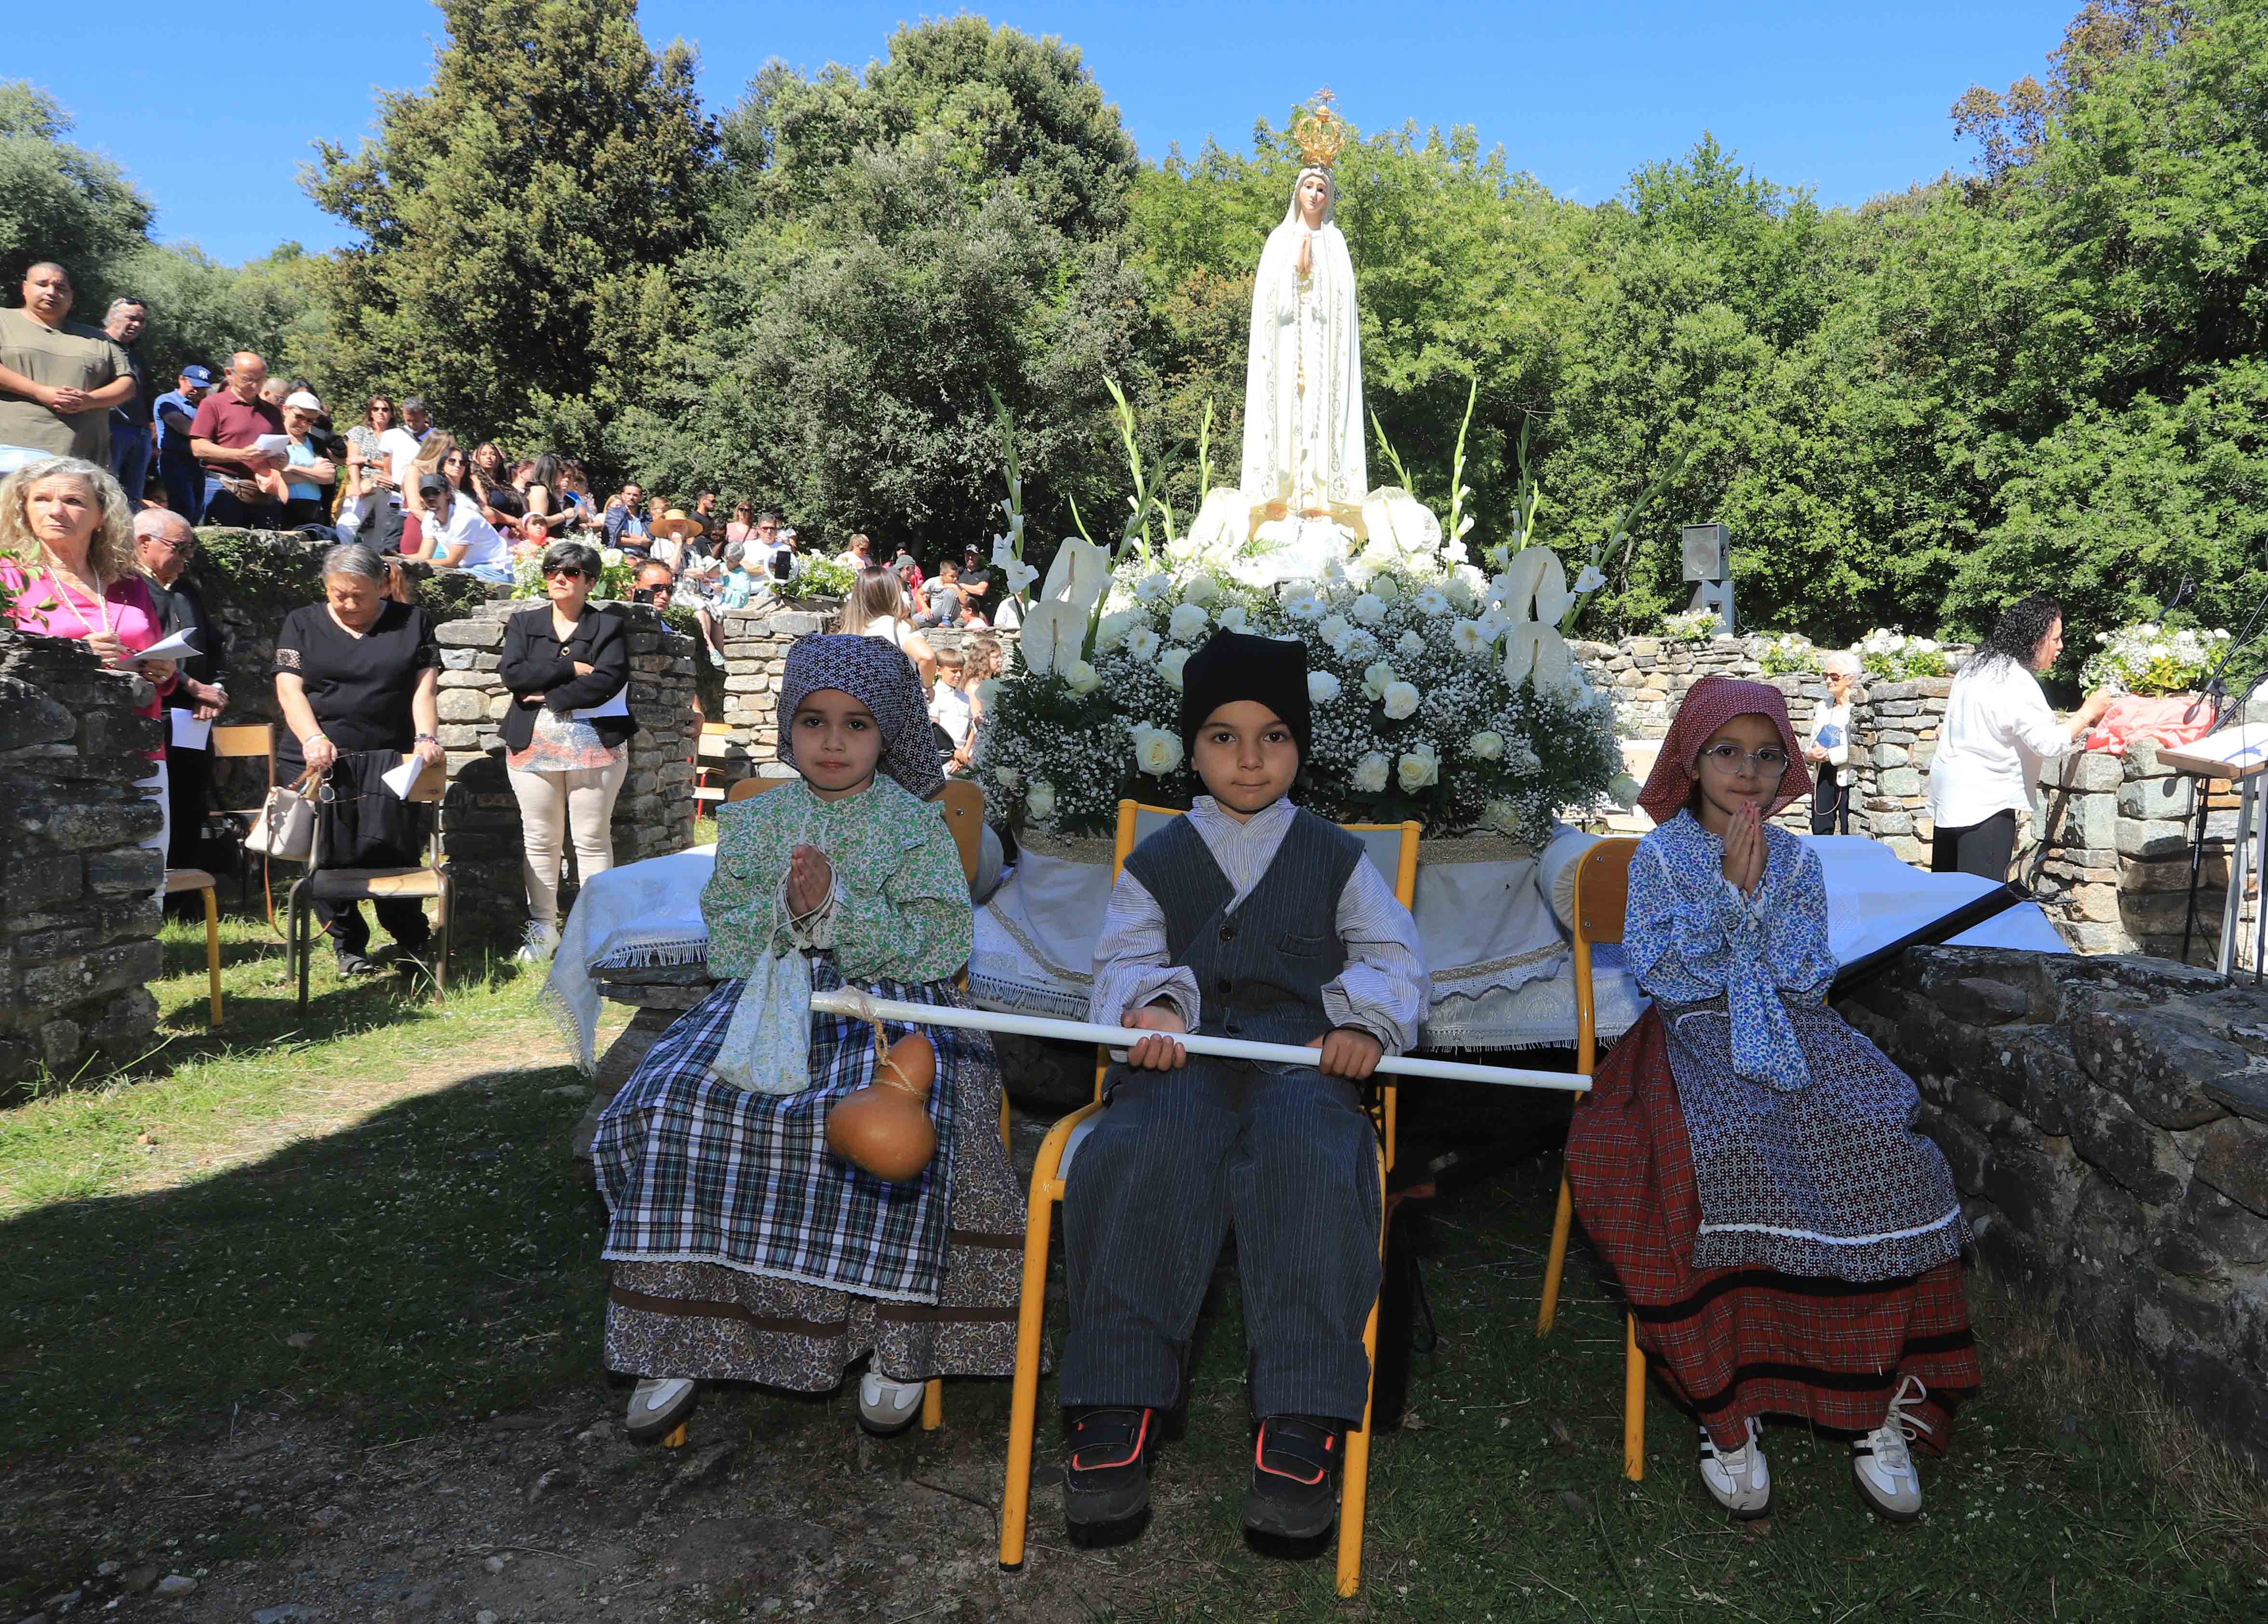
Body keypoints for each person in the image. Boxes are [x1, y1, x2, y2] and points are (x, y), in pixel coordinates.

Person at [592, 635, 1025, 1444]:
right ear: (788, 727)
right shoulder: (756, 820)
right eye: (814, 721)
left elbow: (940, 945)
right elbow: (724, 939)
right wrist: (792, 916)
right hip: (767, 1000)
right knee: (672, 1100)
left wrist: (839, 909)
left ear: (887, 732)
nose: (833, 742)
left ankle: (896, 1342)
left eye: (856, 724)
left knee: (892, 1131)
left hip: (885, 1010)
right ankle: (678, 1331)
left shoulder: (913, 824)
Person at [1567, 675, 1979, 1523]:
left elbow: (1804, 971)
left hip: (1792, 1028)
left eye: (1765, 754)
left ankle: (1869, 1396)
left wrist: (1754, 905)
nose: (1746, 771)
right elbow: (1658, 969)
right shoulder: (1658, 856)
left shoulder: (1795, 858)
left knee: (1883, 1143)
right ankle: (1728, 1406)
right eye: (1726, 752)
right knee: (1724, 1147)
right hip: (1685, 1033)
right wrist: (1723, 893)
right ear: (1690, 757)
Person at [1055, 629, 1425, 1548]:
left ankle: (1298, 1411)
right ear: (1191, 747)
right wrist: (1148, 1010)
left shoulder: (1338, 859)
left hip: (1299, 1064)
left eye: (1271, 736)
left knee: (1311, 1153)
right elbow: (1123, 958)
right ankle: (1116, 1395)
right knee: (1145, 1147)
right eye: (1222, 736)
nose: (1248, 757)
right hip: (1178, 1064)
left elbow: (1393, 959)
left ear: (1300, 746)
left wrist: (1358, 1025)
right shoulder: (1157, 858)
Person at [271, 544, 446, 977]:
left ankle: (411, 936)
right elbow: (290, 689)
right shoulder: (301, 622)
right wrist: (313, 737)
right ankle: (347, 942)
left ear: (384, 587)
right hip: (317, 756)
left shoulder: (413, 622)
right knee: (326, 851)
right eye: (338, 595)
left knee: (394, 847)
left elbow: (423, 689)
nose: (348, 604)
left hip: (389, 756)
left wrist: (426, 737)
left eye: (359, 596)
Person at [1, 458, 177, 879]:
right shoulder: (9, 577)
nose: (56, 510)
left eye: (73, 501)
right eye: (42, 499)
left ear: (101, 516)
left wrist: (164, 672)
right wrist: (75, 655)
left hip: (137, 745)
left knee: (144, 871)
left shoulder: (127, 582)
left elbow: (152, 653)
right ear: (24, 509)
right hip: (46, 755)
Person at [499, 539, 632, 962]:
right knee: (540, 839)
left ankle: (596, 930)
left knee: (591, 839)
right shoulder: (523, 623)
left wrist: (551, 696)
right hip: (531, 747)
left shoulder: (608, 626)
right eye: (553, 569)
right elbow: (514, 675)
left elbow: (609, 680)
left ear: (590, 581)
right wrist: (570, 669)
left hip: (596, 747)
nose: (560, 577)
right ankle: (543, 930)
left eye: (572, 572)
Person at [1924, 596, 2114, 881]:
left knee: (1946, 896)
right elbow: (2049, 743)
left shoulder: (1976, 667)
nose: (2061, 646)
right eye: (2056, 638)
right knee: (1978, 904)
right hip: (1985, 804)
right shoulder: (2015, 681)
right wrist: (2088, 713)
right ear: (2034, 638)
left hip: (1951, 794)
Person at [134, 509, 229, 876]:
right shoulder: (129, 588)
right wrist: (191, 688)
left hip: (193, 719)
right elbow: (144, 655)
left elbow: (215, 644)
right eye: (181, 548)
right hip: (153, 713)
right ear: (145, 544)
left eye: (191, 549)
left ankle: (187, 892)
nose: (188, 557)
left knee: (189, 798)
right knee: (154, 798)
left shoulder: (187, 589)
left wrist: (214, 689)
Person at [0, 264, 135, 470]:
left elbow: (127, 384)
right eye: (42, 284)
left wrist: (90, 401)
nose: (51, 292)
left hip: (81, 460)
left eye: (60, 288)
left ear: (71, 296)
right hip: (12, 454)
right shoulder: (4, 320)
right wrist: (39, 392)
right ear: (25, 287)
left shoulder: (98, 337)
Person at [189, 352, 288, 528]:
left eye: (261, 380)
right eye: (248, 379)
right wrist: (241, 455)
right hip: (223, 488)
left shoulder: (272, 412)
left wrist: (281, 459)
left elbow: (281, 447)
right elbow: (198, 448)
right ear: (229, 374)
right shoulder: (213, 404)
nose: (255, 385)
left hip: (262, 493)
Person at [838, 565, 935, 689]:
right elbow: (927, 657)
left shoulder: (848, 629)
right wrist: (927, 687)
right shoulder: (898, 627)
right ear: (891, 594)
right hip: (896, 702)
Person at [410, 473, 512, 582]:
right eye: (425, 494)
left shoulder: (464, 518)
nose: (430, 498)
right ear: (421, 498)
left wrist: (416, 565)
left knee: (445, 583)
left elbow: (452, 562)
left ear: (448, 495)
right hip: (468, 569)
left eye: (436, 492)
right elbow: (424, 555)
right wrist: (398, 557)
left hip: (495, 569)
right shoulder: (429, 519)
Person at [1806, 651, 1862, 836]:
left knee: (1849, 829)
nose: (1828, 681)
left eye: (1835, 677)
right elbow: (1812, 740)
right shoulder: (1824, 706)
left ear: (1850, 679)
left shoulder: (1859, 707)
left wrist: (1830, 755)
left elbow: (1859, 747)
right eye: (1826, 676)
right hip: (1823, 772)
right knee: (1820, 828)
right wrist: (1810, 755)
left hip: (1847, 775)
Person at [103, 298, 152, 502]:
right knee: (106, 490)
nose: (137, 325)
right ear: (113, 316)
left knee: (133, 496)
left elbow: (146, 392)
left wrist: (150, 426)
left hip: (140, 433)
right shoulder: (96, 345)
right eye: (132, 318)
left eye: (142, 321)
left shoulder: (136, 354)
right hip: (110, 428)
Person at [152, 365, 216, 522]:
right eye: (194, 386)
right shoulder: (167, 401)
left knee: (197, 511)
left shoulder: (204, 406)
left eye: (202, 388)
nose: (198, 391)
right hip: (174, 460)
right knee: (183, 508)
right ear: (182, 380)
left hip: (197, 462)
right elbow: (186, 428)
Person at [277, 392, 338, 530]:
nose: (304, 423)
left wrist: (293, 468)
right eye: (299, 417)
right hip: (282, 509)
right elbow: (280, 476)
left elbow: (329, 477)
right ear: (286, 410)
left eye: (310, 421)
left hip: (314, 510)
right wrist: (315, 474)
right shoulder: (275, 437)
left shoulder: (316, 443)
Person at [928, 645, 972, 772]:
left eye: (961, 671)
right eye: (954, 671)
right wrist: (955, 754)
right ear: (939, 670)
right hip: (944, 758)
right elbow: (935, 729)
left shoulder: (964, 697)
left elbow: (970, 728)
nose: (959, 675)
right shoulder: (935, 695)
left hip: (964, 758)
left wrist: (965, 753)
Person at [914, 559, 964, 628]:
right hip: (936, 613)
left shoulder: (956, 585)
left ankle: (947, 621)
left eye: (956, 576)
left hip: (951, 614)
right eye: (952, 576)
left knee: (950, 592)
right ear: (942, 575)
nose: (955, 579)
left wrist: (955, 587)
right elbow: (919, 594)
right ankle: (935, 626)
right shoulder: (933, 582)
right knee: (915, 619)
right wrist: (925, 607)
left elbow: (964, 602)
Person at [602, 481, 648, 554]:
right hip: (619, 557)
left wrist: (623, 534)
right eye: (629, 494)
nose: (631, 498)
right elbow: (613, 539)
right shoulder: (614, 513)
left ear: (641, 498)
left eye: (635, 495)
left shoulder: (646, 517)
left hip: (642, 558)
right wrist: (639, 542)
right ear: (623, 496)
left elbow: (648, 542)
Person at [954, 543, 993, 626]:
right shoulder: (959, 572)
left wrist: (960, 585)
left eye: (973, 555)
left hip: (978, 613)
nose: (970, 558)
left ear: (978, 556)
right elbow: (948, 585)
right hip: (958, 612)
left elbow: (980, 591)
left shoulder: (984, 573)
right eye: (968, 555)